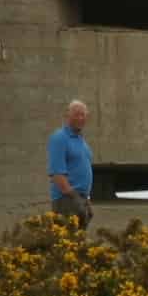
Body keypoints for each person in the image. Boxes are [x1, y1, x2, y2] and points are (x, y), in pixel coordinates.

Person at [46, 98, 95, 229]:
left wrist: (86, 200)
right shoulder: (59, 138)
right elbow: (57, 174)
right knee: (67, 243)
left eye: (83, 115)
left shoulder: (82, 142)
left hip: (81, 198)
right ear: (68, 116)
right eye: (77, 114)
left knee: (80, 244)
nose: (80, 118)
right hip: (66, 200)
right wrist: (74, 197)